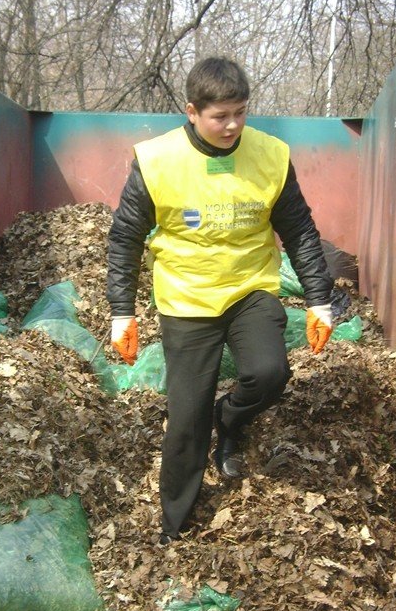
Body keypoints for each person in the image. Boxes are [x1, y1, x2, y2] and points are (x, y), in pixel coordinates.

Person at [106, 57, 333, 545]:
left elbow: (299, 230)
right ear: (192, 111)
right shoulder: (156, 160)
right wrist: (121, 312)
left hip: (250, 287)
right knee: (186, 418)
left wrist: (319, 300)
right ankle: (174, 524)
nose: (232, 125)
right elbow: (124, 237)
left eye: (241, 112)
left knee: (269, 373)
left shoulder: (270, 156)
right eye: (220, 115)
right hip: (186, 298)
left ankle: (229, 421)